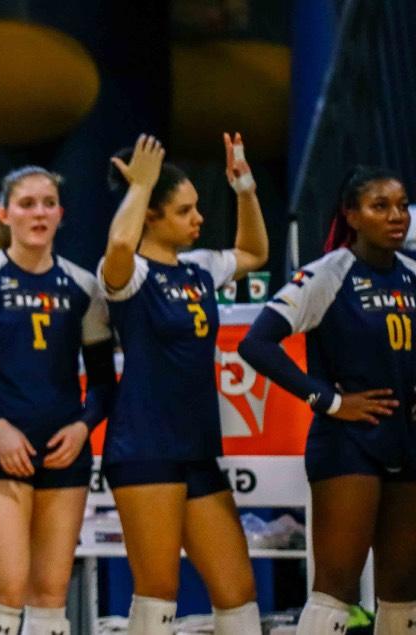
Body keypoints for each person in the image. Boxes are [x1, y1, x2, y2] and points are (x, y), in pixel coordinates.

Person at [98, 134, 268, 634]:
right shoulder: (127, 275)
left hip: (196, 447)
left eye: (197, 209)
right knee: (158, 595)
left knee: (238, 593)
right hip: (145, 445)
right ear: (151, 214)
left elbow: (254, 252)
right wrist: (141, 187)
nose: (198, 219)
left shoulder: (198, 268)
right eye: (184, 211)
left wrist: (246, 189)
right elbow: (120, 244)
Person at [238, 166, 416, 634]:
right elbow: (255, 344)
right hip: (348, 444)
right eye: (381, 206)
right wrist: (330, 401)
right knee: (336, 587)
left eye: (401, 205)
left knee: (404, 588)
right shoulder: (327, 274)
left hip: (408, 442)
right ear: (352, 216)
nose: (397, 216)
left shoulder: (413, 275)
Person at [0, 166, 115, 635]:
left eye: (47, 203)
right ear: (4, 213)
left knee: (51, 596)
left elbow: (103, 383)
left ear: (61, 213)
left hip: (65, 451)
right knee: (7, 591)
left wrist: (83, 427)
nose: (38, 212)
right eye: (26, 203)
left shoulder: (83, 287)